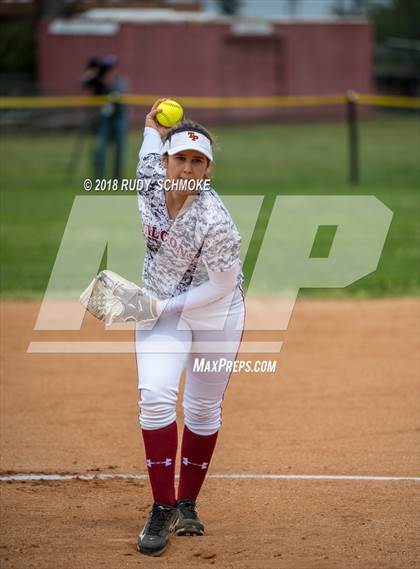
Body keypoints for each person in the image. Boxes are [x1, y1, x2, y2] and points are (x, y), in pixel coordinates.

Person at [134, 99, 245, 556]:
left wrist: (165, 305)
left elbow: (220, 285)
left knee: (202, 409)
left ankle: (188, 503)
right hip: (162, 309)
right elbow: (148, 142)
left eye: (198, 161)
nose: (188, 166)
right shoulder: (148, 179)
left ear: (208, 170)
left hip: (214, 311)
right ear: (165, 163)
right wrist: (152, 127)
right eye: (180, 157)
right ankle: (162, 508)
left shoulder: (217, 222)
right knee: (156, 398)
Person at [80, 55, 127, 181]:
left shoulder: (119, 81)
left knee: (119, 150)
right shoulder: (97, 81)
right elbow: (82, 83)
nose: (109, 72)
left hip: (118, 118)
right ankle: (98, 178)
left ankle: (117, 179)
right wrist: (92, 74)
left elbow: (120, 94)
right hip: (103, 120)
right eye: (106, 70)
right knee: (100, 148)